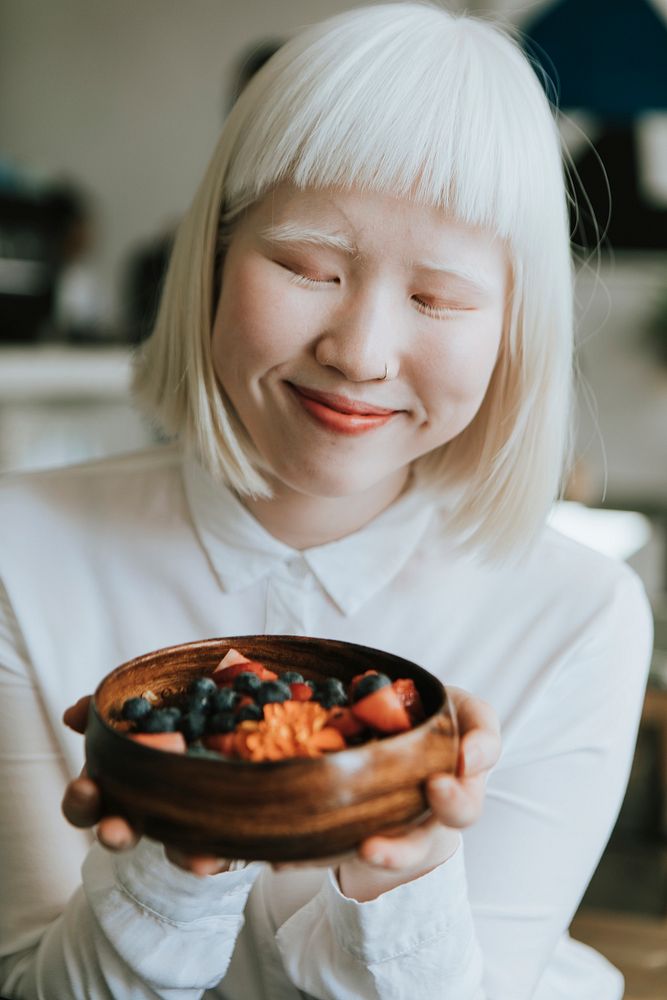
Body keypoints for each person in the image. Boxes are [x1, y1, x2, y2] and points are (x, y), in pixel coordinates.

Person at [0, 3, 653, 998]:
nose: (359, 351)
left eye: (437, 300)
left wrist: (407, 875)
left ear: (515, 326)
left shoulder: (576, 617)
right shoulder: (17, 552)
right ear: (211, 257)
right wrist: (172, 870)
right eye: (310, 268)